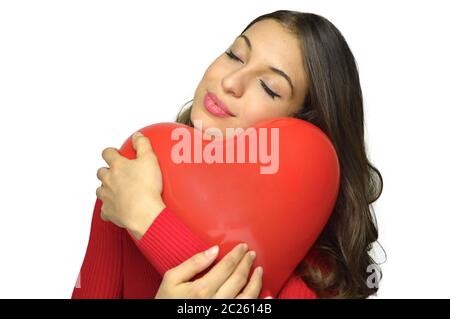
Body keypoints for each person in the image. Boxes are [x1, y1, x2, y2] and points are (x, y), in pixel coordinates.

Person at [72, 10, 383, 299]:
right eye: (235, 55)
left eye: (269, 87)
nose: (230, 82)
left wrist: (147, 218)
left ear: (305, 132)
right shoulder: (133, 177)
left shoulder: (318, 267)